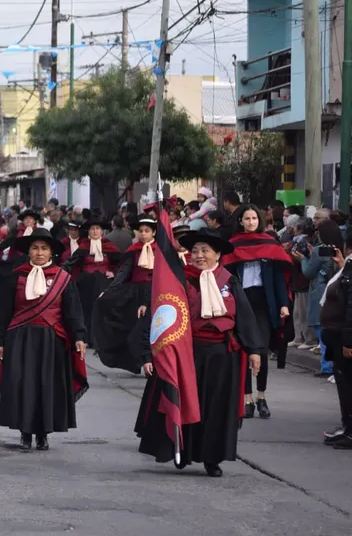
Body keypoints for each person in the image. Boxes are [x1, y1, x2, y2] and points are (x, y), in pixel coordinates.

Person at [135, 228, 264, 477]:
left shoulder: (229, 280)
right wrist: (148, 354)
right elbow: (158, 317)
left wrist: (254, 349)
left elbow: (244, 317)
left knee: (216, 410)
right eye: (195, 251)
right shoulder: (177, 280)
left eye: (205, 251)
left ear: (217, 255)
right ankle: (181, 451)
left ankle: (212, 459)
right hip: (186, 354)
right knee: (185, 405)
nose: (199, 255)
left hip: (223, 356)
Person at [0, 228, 88, 452]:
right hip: (20, 340)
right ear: (28, 251)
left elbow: (73, 311)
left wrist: (80, 336)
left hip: (51, 341)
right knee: (23, 386)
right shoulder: (17, 276)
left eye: (43, 249)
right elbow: (5, 311)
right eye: (35, 248)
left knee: (47, 386)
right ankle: (25, 433)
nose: (39, 253)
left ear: (51, 253)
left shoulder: (63, 279)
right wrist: (0, 341)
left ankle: (43, 434)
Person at [221, 204, 291, 419]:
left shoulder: (269, 244)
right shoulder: (233, 245)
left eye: (254, 218)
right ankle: (247, 399)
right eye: (246, 218)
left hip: (264, 303)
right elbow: (224, 275)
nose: (250, 222)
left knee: (260, 351)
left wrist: (284, 303)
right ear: (240, 221)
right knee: (243, 352)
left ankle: (262, 397)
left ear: (259, 221)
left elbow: (279, 278)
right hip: (241, 302)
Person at [93, 216, 157, 374]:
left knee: (151, 328)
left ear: (153, 233)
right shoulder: (133, 251)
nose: (143, 234)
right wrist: (109, 291)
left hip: (155, 292)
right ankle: (139, 361)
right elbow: (123, 273)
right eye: (141, 231)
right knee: (134, 329)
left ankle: (151, 361)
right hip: (135, 293)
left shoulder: (161, 251)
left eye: (147, 231)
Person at [64, 217, 120, 348]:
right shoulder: (84, 246)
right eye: (92, 229)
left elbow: (122, 263)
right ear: (88, 232)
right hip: (86, 283)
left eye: (98, 229)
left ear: (102, 232)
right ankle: (88, 337)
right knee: (87, 310)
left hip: (104, 283)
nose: (95, 231)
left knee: (102, 310)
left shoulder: (108, 245)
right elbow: (71, 262)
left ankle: (101, 338)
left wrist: (114, 272)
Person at [318, 232, 352, 449]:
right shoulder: (346, 268)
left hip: (343, 338)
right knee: (344, 384)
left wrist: (348, 341)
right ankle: (347, 428)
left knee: (347, 385)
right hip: (336, 336)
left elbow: (350, 307)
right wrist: (341, 266)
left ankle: (349, 431)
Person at [298, 220, 343, 378]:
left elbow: (309, 272)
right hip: (337, 290)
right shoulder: (340, 248)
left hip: (320, 291)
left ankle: (326, 365)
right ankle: (332, 365)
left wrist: (303, 259)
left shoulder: (319, 250)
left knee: (321, 329)